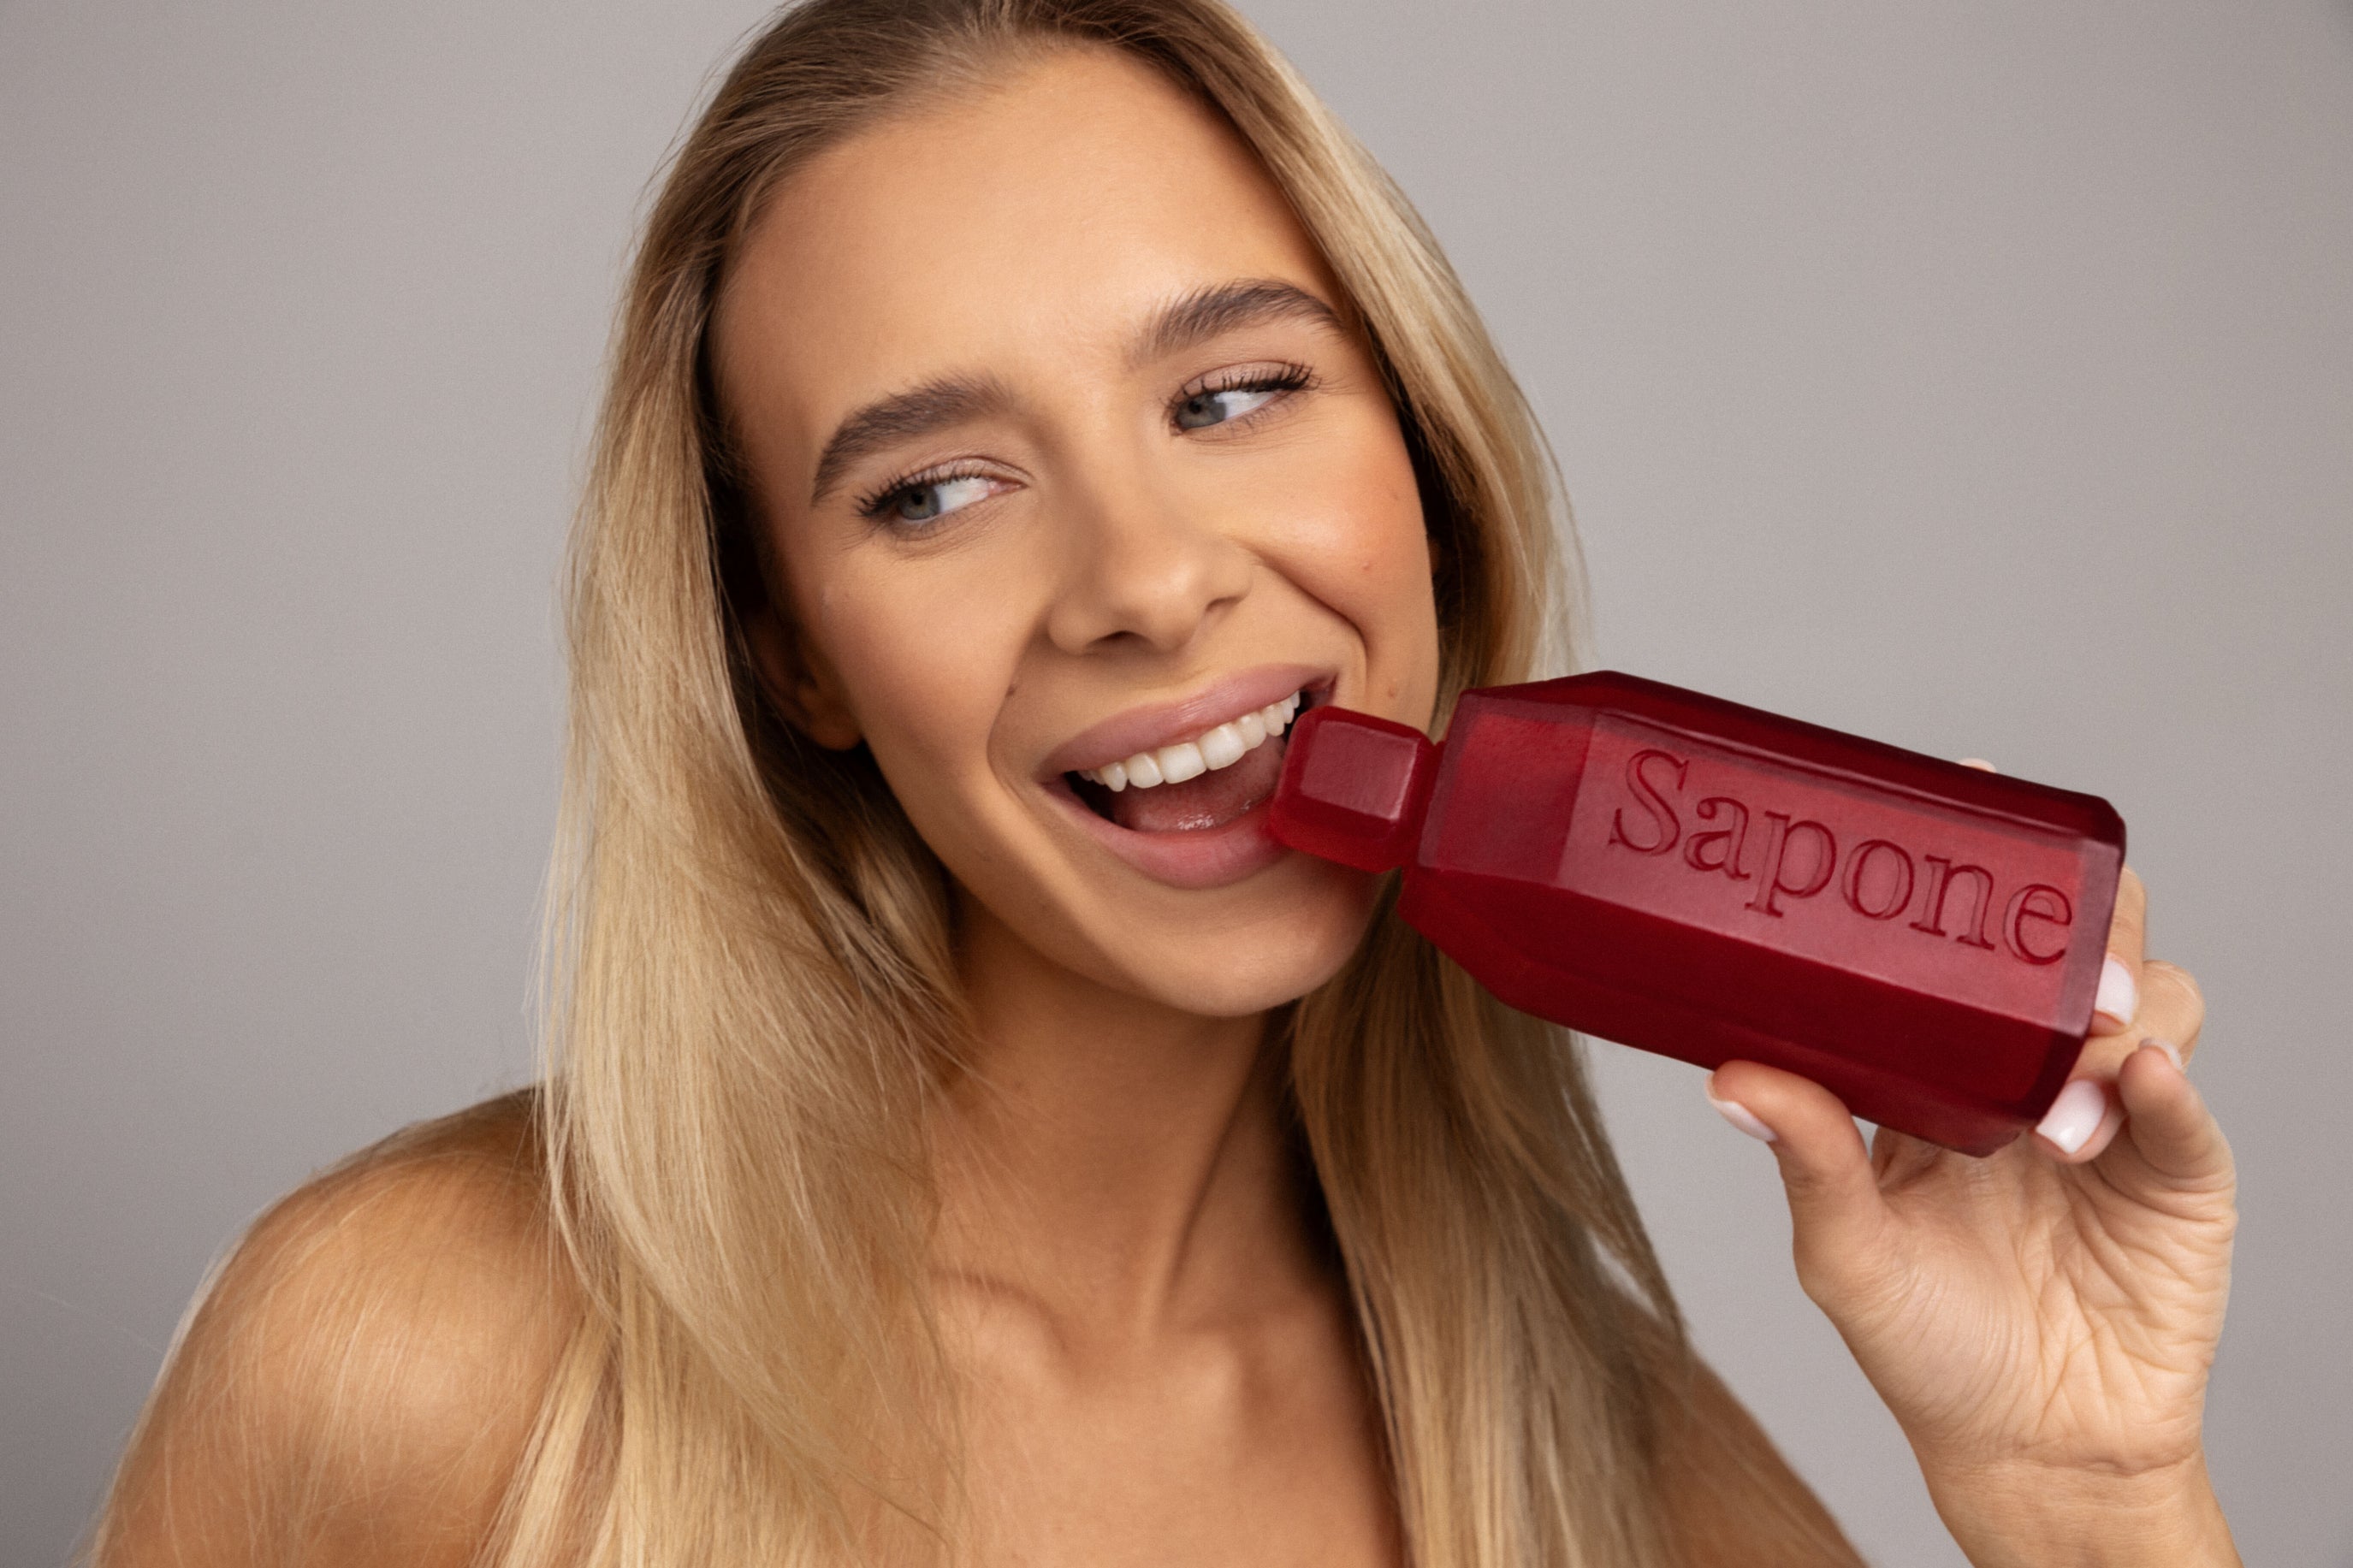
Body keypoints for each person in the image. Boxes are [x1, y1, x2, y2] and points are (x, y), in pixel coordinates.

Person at [90, 2, 2238, 1564]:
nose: (1142, 579)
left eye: (1230, 393)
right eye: (934, 488)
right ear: (791, 655)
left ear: (1424, 462)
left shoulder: (1615, 1483)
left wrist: (2087, 1497)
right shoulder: (416, 1356)